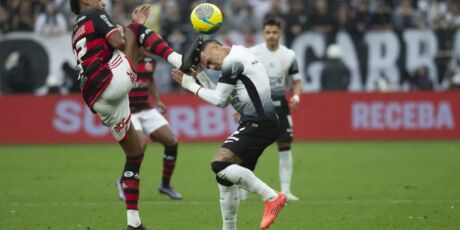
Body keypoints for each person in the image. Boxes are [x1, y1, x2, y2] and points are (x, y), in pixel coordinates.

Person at [70, 1, 183, 229]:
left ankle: (134, 223)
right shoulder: (95, 13)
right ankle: (179, 60)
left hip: (97, 99)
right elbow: (119, 42)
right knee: (135, 30)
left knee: (135, 152)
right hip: (111, 83)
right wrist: (132, 27)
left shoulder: (75, 29)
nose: (102, 1)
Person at [172, 36, 287, 230]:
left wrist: (189, 85)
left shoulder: (233, 61)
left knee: (220, 163)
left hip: (258, 122)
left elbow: (218, 100)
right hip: (260, 122)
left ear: (216, 47)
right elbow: (224, 99)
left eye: (208, 61)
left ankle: (272, 197)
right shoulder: (238, 55)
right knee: (224, 176)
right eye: (206, 66)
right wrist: (200, 77)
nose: (210, 66)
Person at [238, 18, 302, 201]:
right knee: (251, 146)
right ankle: (243, 188)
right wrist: (240, 104)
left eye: (275, 32)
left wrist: (296, 96)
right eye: (268, 32)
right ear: (263, 33)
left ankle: (286, 190)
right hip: (257, 103)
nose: (271, 36)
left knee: (285, 145)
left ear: (280, 33)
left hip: (280, 103)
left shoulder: (289, 55)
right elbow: (243, 79)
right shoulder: (253, 53)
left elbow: (296, 80)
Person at [116, 51, 182, 200]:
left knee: (172, 142)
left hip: (145, 109)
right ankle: (123, 182)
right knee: (140, 145)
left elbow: (150, 80)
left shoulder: (150, 61)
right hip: (127, 112)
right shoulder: (121, 60)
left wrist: (157, 101)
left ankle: (165, 185)